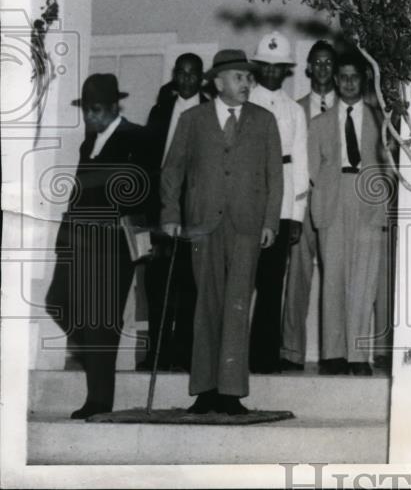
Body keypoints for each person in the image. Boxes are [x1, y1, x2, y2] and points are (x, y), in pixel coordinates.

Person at [160, 49, 283, 415]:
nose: (247, 83)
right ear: (218, 82)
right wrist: (170, 213)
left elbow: (275, 177)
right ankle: (205, 390)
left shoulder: (265, 120)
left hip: (247, 225)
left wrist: (270, 222)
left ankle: (231, 392)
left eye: (249, 78)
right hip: (202, 224)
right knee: (205, 306)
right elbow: (172, 170)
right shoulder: (193, 120)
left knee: (237, 305)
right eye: (239, 77)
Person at [45, 74, 147, 419]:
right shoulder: (89, 142)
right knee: (57, 301)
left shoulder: (136, 136)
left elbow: (145, 191)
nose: (91, 116)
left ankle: (99, 401)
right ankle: (96, 355)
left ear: (114, 106)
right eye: (87, 110)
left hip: (113, 244)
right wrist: (64, 239)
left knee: (101, 322)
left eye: (97, 109)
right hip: (78, 242)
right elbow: (77, 192)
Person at [309, 53, 391, 376]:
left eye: (354, 77)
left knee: (364, 279)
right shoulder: (320, 123)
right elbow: (313, 169)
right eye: (342, 77)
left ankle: (358, 356)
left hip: (368, 198)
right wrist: (326, 192)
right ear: (335, 80)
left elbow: (389, 165)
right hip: (333, 198)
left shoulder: (380, 119)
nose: (347, 83)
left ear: (364, 80)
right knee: (333, 279)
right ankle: (332, 354)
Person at [140, 53, 209, 373]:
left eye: (192, 74)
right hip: (160, 209)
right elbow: (148, 162)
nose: (186, 80)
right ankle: (156, 353)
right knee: (156, 284)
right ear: (175, 75)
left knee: (189, 284)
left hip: (196, 208)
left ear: (201, 77)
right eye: (180, 73)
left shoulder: (211, 110)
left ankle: (183, 354)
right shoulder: (160, 111)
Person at [247, 31, 309, 374]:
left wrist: (296, 214)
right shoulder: (245, 102)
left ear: (286, 70)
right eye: (265, 66)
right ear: (258, 66)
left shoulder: (294, 110)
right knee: (240, 281)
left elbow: (300, 163)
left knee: (272, 283)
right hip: (247, 200)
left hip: (282, 202)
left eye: (278, 67)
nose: (271, 73)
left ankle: (264, 356)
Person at [281, 39, 338, 372]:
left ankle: (334, 354)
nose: (322, 69)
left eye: (328, 63)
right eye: (317, 63)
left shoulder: (350, 110)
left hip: (334, 209)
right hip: (302, 205)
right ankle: (290, 352)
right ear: (308, 68)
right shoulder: (295, 109)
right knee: (297, 279)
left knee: (334, 280)